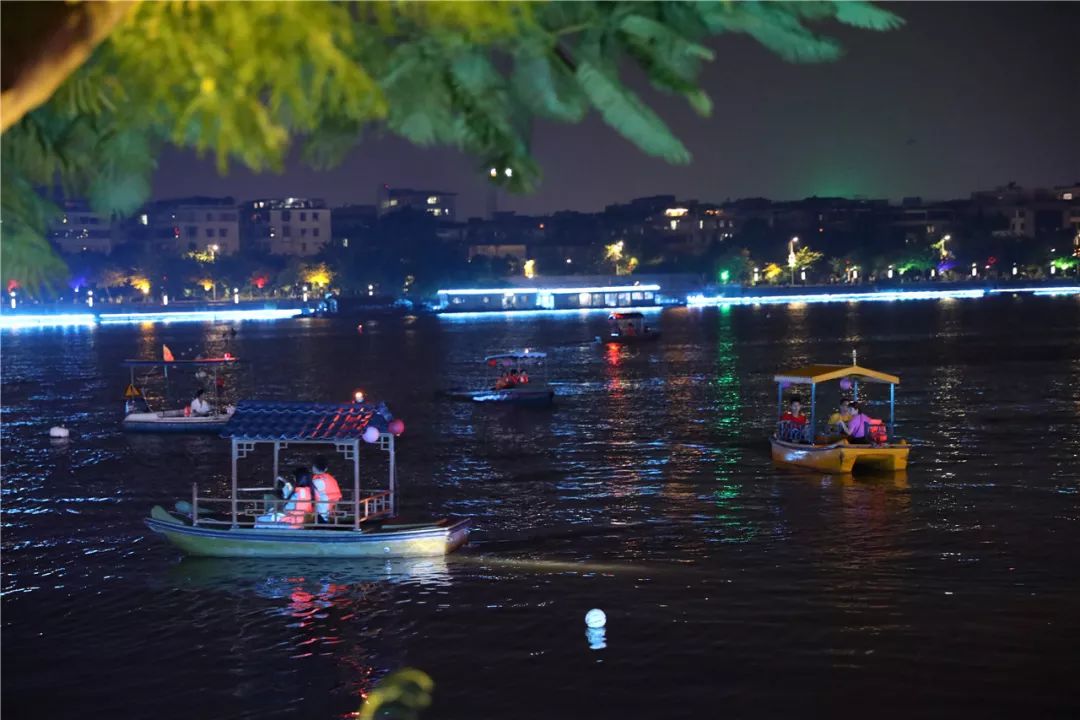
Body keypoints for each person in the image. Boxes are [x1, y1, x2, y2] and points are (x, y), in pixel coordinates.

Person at [311, 456, 342, 524]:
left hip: (322, 511)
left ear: (314, 467)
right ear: (326, 469)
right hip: (331, 508)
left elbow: (311, 495)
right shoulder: (330, 478)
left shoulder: (318, 481)